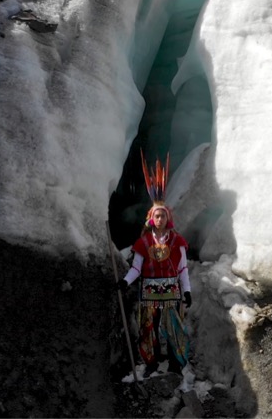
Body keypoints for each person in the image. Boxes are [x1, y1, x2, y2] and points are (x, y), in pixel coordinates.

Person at [117, 152, 192, 375]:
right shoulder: (143, 242)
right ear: (152, 218)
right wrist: (125, 281)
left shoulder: (177, 241)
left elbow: (183, 269)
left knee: (173, 328)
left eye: (163, 216)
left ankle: (176, 363)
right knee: (148, 328)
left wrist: (186, 290)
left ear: (168, 218)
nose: (160, 220)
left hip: (171, 289)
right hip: (149, 290)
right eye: (157, 216)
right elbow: (136, 268)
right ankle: (150, 362)